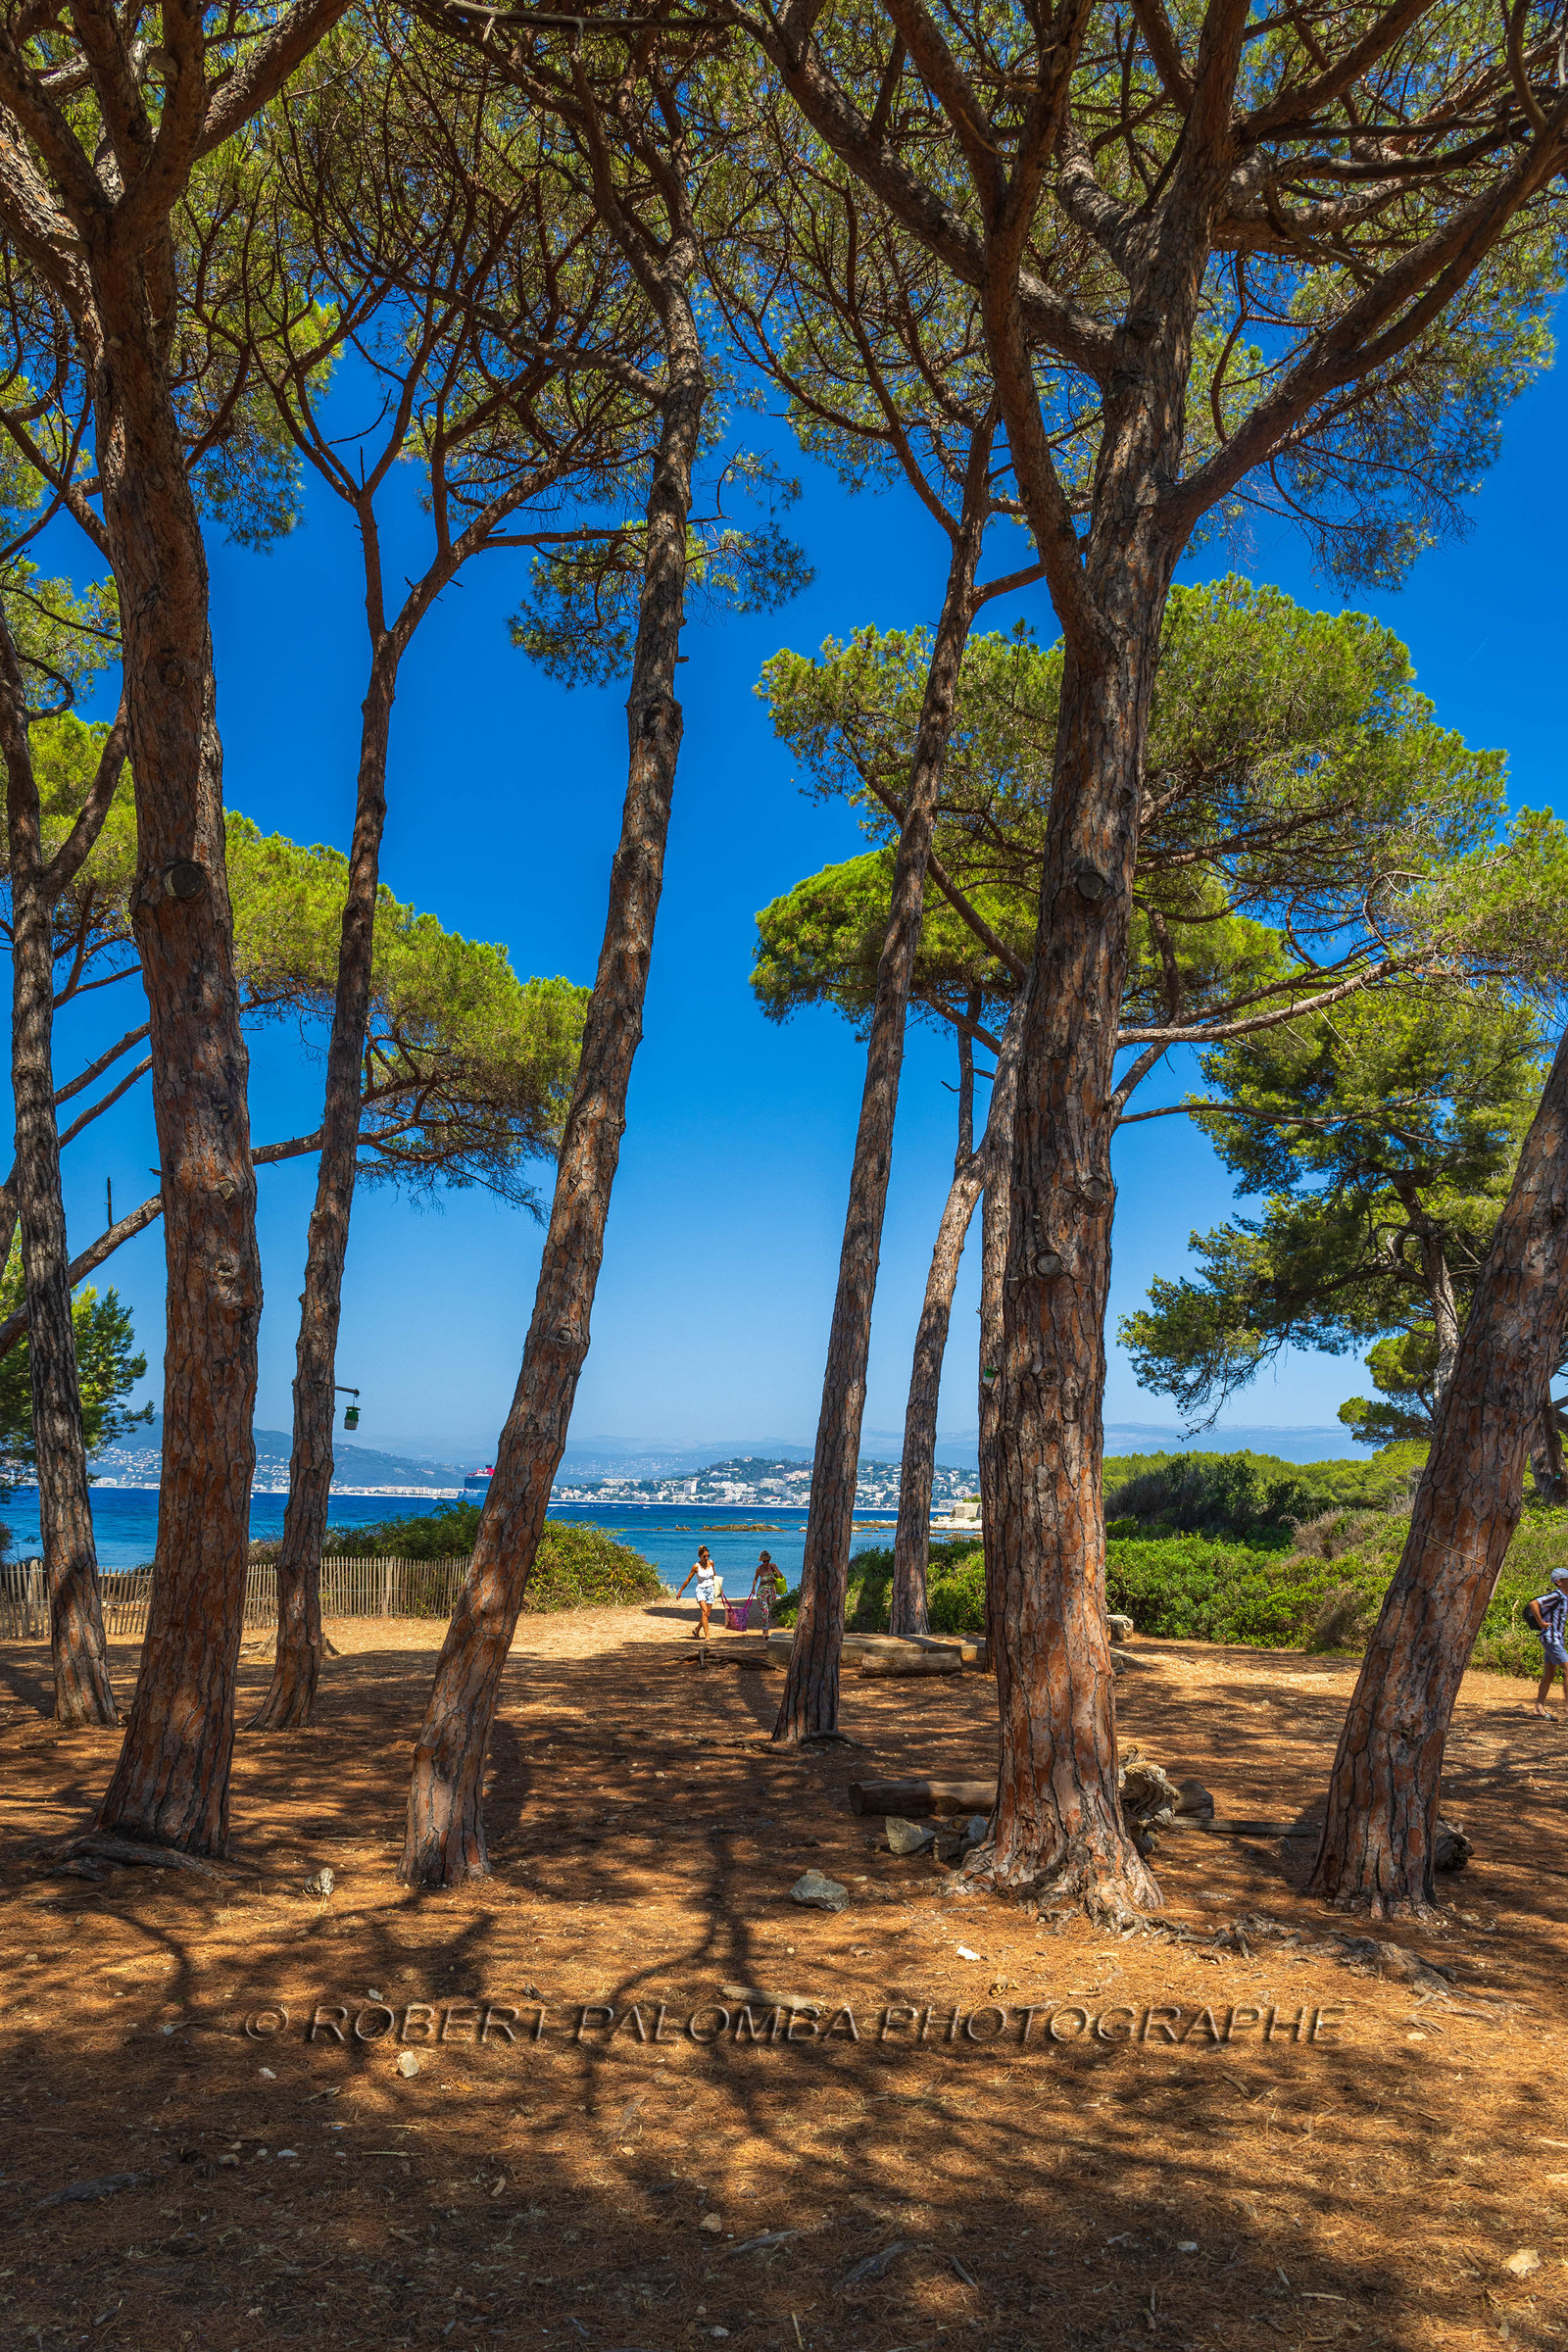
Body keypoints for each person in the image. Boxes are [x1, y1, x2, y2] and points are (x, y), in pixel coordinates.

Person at [1526, 1567, 1568, 1720]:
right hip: (1551, 1638)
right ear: (1559, 1582)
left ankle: (1538, 1709)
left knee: (1549, 1675)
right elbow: (1533, 1603)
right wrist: (1541, 1623)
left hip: (1555, 1639)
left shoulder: (1564, 1596)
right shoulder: (1556, 1595)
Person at [674, 1544, 721, 1640]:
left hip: (711, 1589)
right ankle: (707, 1635)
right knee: (704, 1612)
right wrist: (680, 1591)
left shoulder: (711, 1563)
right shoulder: (696, 1566)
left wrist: (719, 1588)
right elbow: (688, 1579)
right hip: (701, 1590)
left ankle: (697, 1630)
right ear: (700, 1556)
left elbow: (714, 1575)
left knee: (708, 1614)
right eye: (704, 1556)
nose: (706, 1558)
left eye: (708, 1556)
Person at [750, 1550, 787, 1630]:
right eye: (764, 1561)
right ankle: (765, 1628)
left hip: (771, 1591)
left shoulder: (773, 1566)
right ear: (761, 1560)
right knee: (765, 1610)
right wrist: (753, 1588)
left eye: (768, 1561)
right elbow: (755, 1579)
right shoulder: (759, 1569)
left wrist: (775, 1569)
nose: (766, 1563)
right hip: (762, 1591)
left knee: (769, 1611)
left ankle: (767, 1625)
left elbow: (780, 1577)